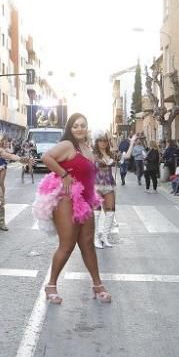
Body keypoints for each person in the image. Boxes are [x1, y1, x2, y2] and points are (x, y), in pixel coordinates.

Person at [31, 113, 110, 305]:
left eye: (83, 125)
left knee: (88, 244)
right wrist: (64, 174)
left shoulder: (87, 148)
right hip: (66, 198)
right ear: (70, 128)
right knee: (67, 245)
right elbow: (47, 157)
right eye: (75, 126)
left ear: (87, 128)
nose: (79, 129)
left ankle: (97, 284)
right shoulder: (67, 145)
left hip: (85, 200)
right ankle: (51, 285)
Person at [92, 132, 118, 248]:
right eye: (101, 140)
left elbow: (122, 156)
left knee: (111, 211)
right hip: (96, 185)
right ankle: (96, 238)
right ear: (97, 142)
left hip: (109, 185)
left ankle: (105, 237)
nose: (103, 143)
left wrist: (112, 139)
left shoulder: (110, 154)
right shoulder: (93, 154)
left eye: (105, 141)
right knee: (96, 213)